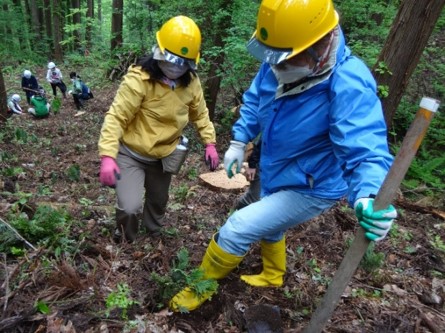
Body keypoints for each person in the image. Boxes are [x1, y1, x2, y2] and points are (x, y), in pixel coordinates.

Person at [169, 0, 398, 312]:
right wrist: (239, 140)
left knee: (239, 226)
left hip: (312, 185)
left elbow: (365, 146)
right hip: (278, 168)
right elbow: (254, 99)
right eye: (274, 58)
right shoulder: (280, 55)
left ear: (322, 44)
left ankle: (198, 289)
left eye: (287, 59)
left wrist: (369, 194)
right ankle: (273, 275)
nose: (277, 67)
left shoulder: (348, 82)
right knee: (270, 221)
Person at [98, 15, 220, 244]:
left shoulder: (191, 83)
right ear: (159, 51)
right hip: (131, 153)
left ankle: (153, 234)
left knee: (158, 201)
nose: (176, 67)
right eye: (172, 60)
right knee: (130, 206)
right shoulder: (140, 79)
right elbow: (116, 117)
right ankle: (126, 238)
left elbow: (200, 113)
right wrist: (107, 155)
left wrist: (210, 143)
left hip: (164, 155)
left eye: (184, 63)